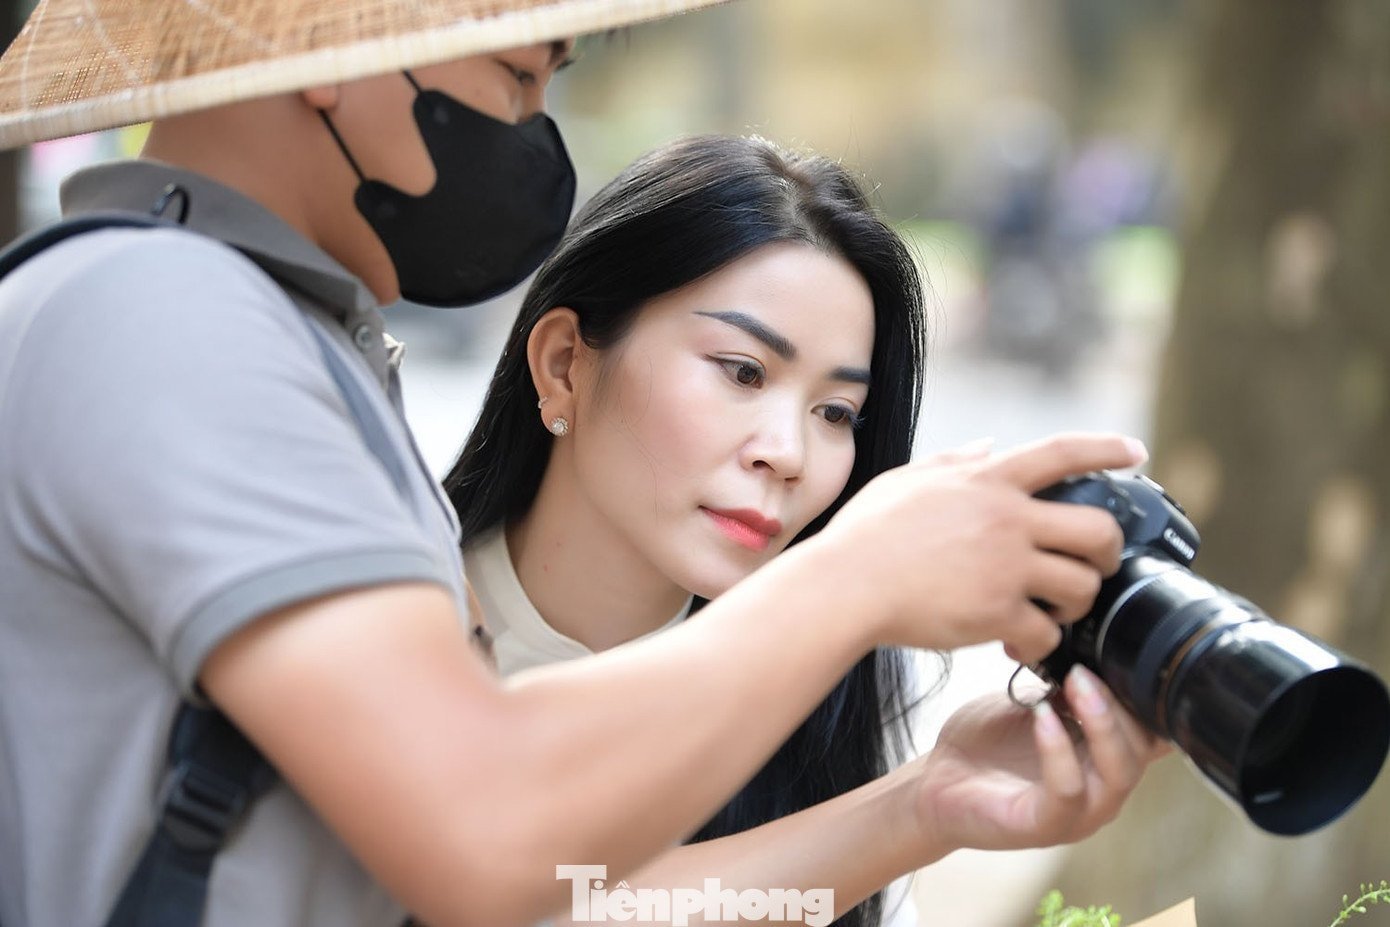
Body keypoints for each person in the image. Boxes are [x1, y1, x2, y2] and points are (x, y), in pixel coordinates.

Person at [0, 2, 1159, 926]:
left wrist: (925, 802)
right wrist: (860, 576)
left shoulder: (262, 330)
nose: (531, 129)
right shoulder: (159, 308)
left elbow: (534, 904)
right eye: (517, 75)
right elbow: (484, 834)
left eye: (837, 411)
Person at [442, 133, 1166, 926]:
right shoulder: (389, 643)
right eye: (743, 370)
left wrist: (929, 798)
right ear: (563, 364)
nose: (788, 454)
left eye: (836, 413)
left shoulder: (814, 710)